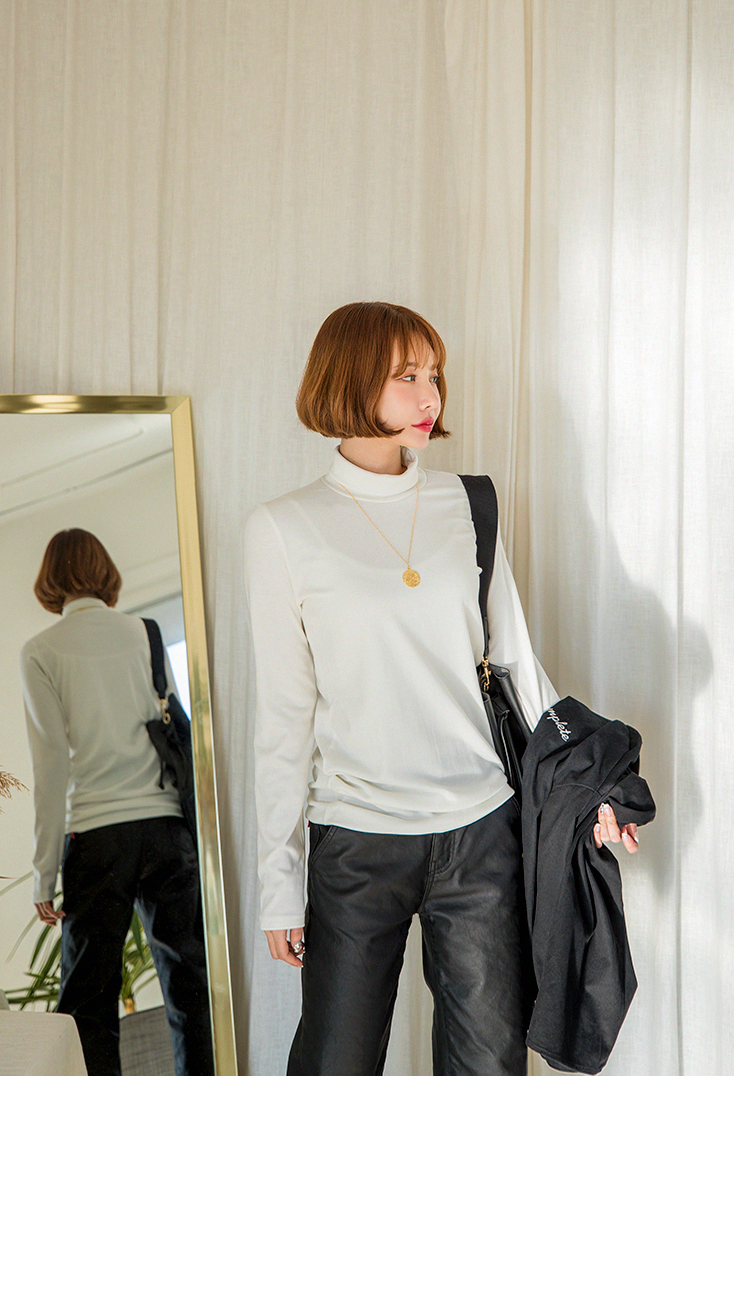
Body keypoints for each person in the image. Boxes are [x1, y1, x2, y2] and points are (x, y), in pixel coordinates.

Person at [243, 300, 638, 1077]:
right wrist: (278, 883)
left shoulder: (468, 503)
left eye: (435, 376)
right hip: (356, 836)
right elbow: (284, 718)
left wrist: (593, 787)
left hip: (481, 833)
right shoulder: (284, 528)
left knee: (489, 1070)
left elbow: (519, 666)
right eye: (408, 376)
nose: (431, 397)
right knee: (335, 1067)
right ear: (351, 379)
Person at [19, 526, 214, 1077]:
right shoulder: (146, 634)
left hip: (97, 836)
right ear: (104, 571)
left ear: (49, 579)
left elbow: (51, 765)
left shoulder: (39, 652)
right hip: (166, 829)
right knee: (191, 989)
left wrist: (43, 874)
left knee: (88, 1003)